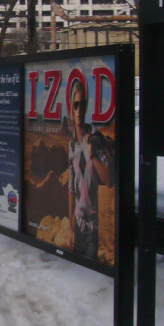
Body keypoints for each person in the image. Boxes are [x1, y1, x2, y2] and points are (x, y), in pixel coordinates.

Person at [67, 76, 113, 260]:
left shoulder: (95, 139)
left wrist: (92, 154)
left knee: (90, 265)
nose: (79, 110)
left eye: (82, 105)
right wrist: (71, 226)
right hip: (78, 223)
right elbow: (72, 186)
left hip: (92, 226)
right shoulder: (72, 144)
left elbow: (109, 180)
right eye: (76, 105)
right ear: (71, 109)